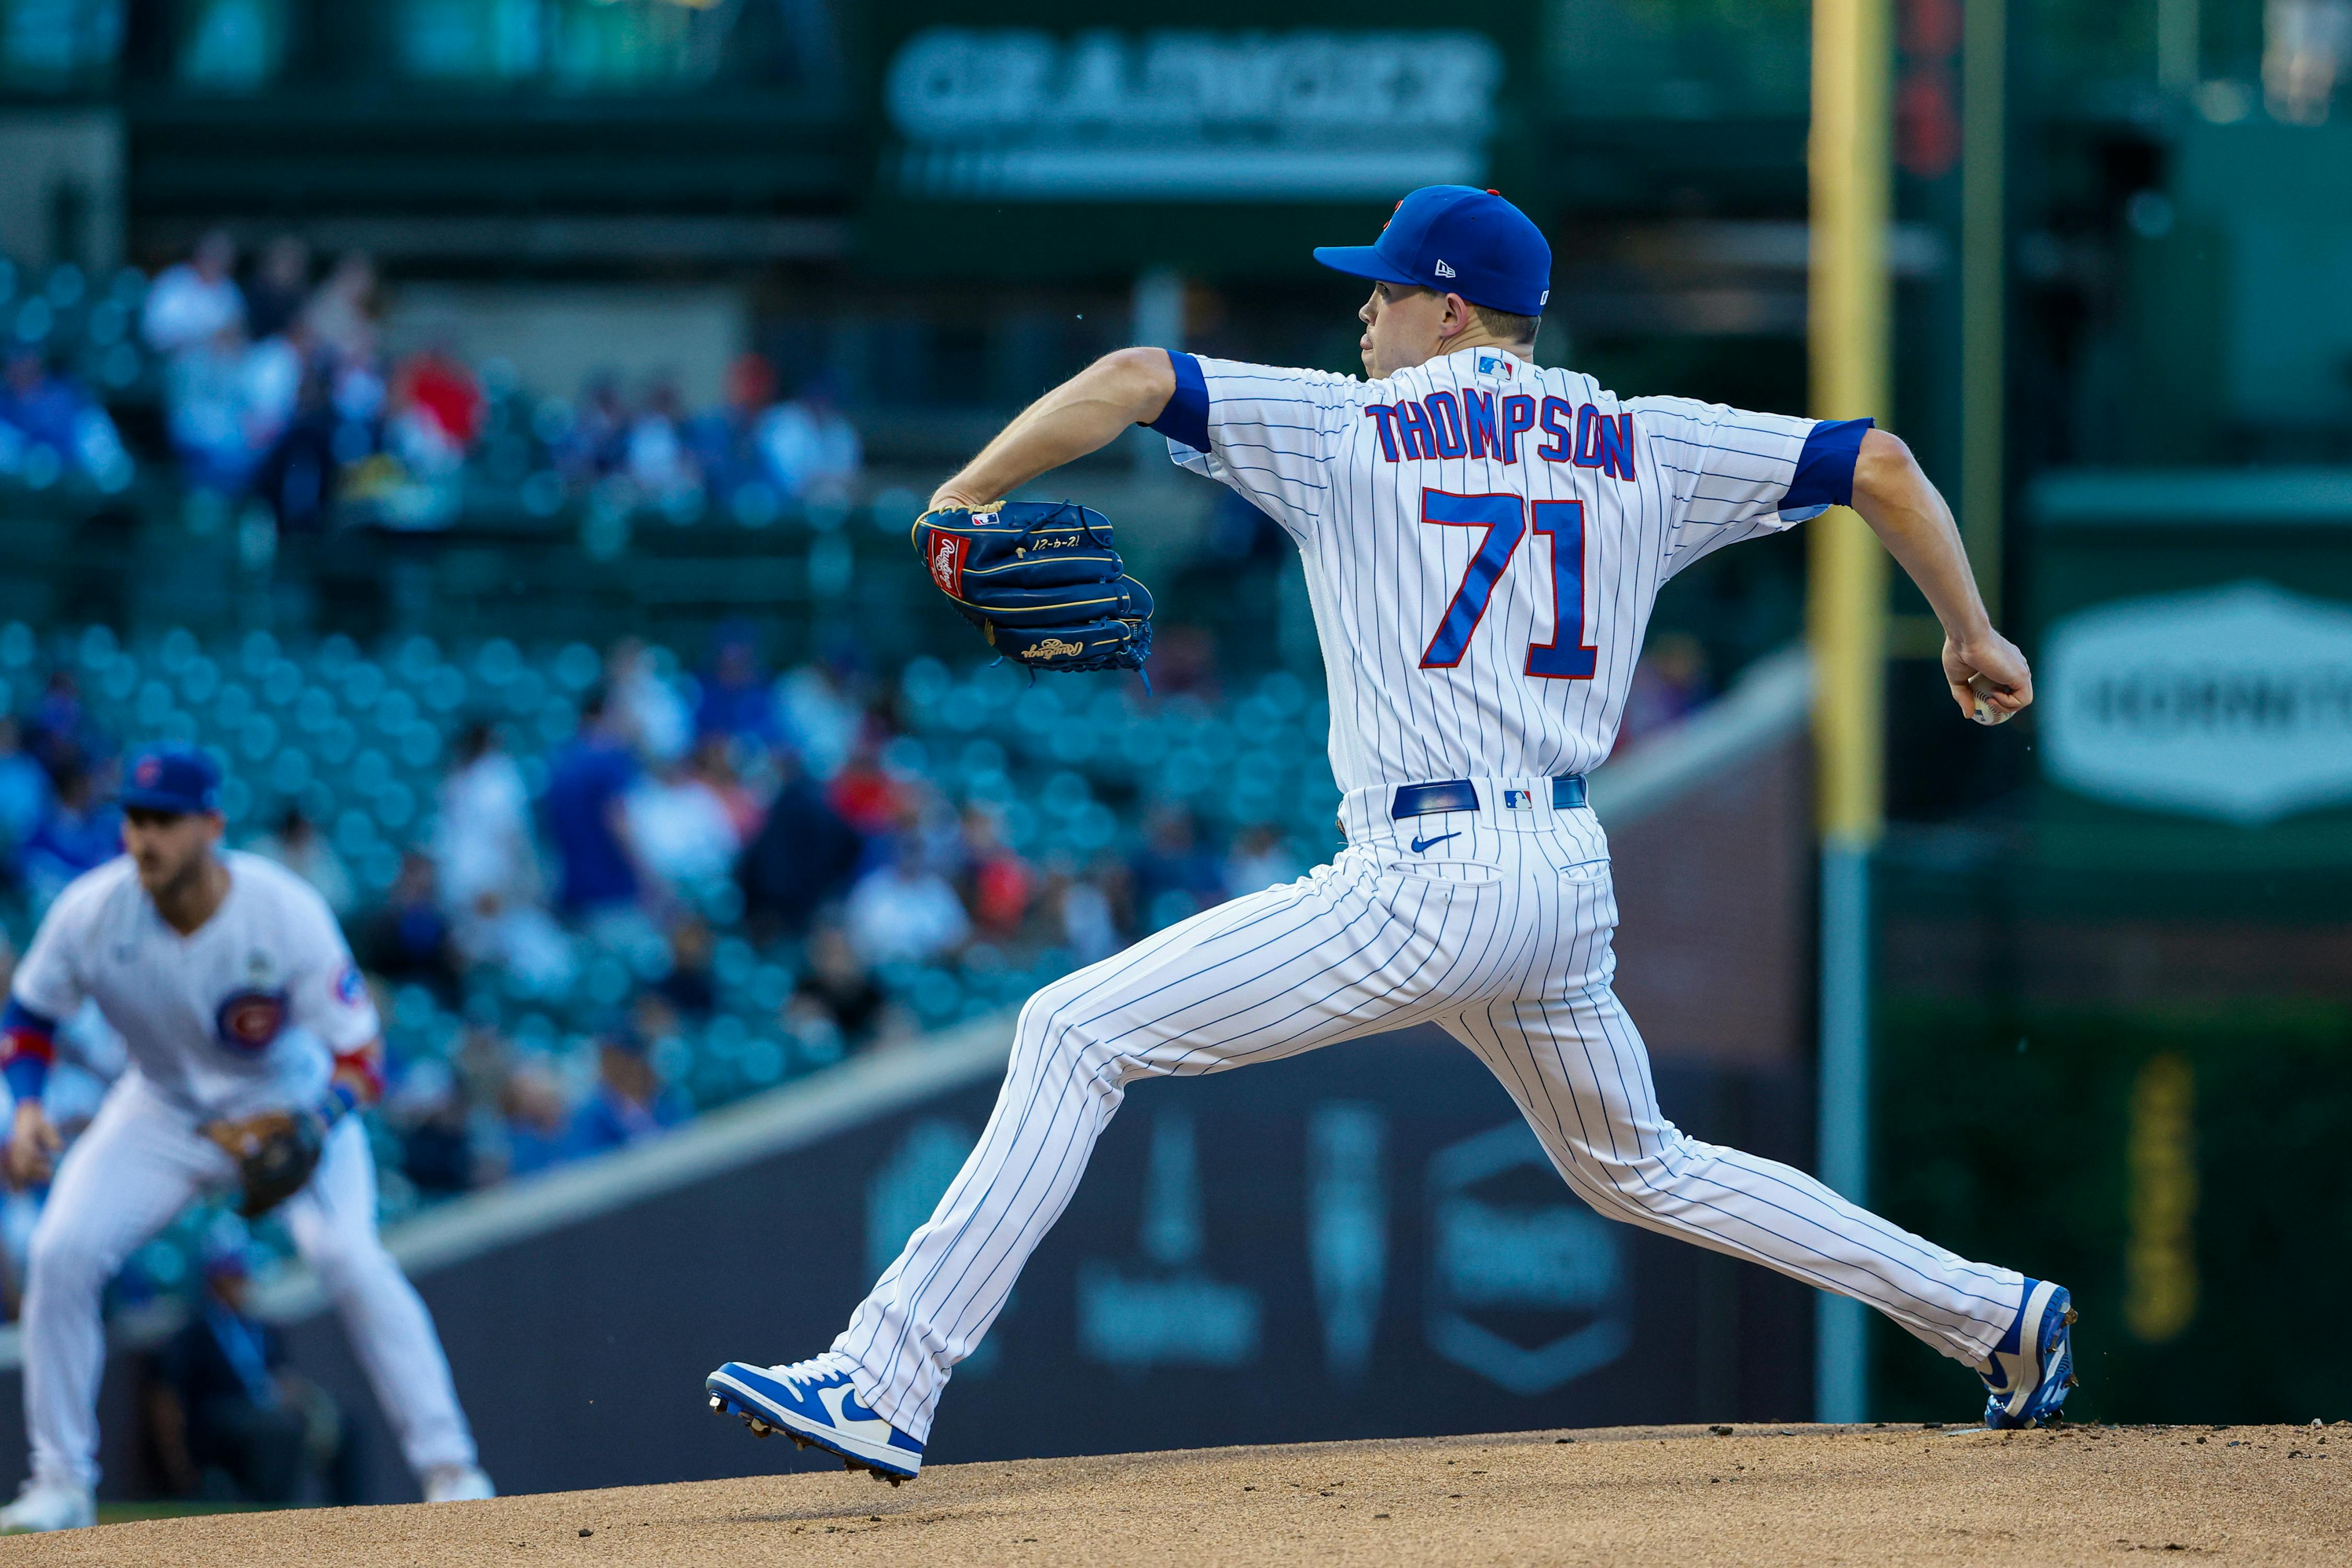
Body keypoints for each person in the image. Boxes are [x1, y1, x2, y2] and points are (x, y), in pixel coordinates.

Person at [703, 186, 2067, 1483]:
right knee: (1639, 1165)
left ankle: (885, 1378)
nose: (1366, 318)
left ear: (1455, 315)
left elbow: (1131, 378)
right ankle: (1989, 1315)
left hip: (1429, 882)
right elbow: (1872, 460)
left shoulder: (1348, 430)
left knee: (1073, 1030)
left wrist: (961, 499)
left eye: (1389, 294)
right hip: (1562, 880)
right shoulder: (1640, 436)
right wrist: (1968, 628)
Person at [0, 747, 492, 1533]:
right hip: (161, 1110)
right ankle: (60, 1482)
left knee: (349, 1258)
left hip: (289, 1101)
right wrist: (26, 1107)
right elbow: (28, 1014)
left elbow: (363, 1057)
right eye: (134, 818)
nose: (145, 837)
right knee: (61, 1251)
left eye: (164, 820)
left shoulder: (281, 910)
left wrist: (313, 1124)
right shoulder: (93, 911)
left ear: (212, 825)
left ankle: (452, 1469)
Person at [141, 231, 244, 358]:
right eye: (213, 255)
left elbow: (239, 332)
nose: (217, 262)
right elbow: (155, 332)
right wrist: (204, 338)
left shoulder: (228, 289)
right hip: (172, 360)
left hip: (218, 362)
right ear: (200, 255)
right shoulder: (174, 282)